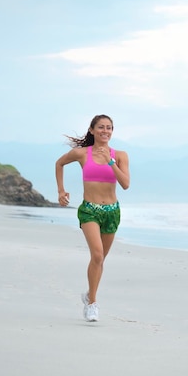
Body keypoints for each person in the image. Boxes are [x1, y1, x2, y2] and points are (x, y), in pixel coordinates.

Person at [55, 114, 130, 322]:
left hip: (112, 212)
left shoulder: (120, 155)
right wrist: (61, 191)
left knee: (100, 260)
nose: (105, 131)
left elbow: (125, 184)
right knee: (97, 255)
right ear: (92, 130)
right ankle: (93, 304)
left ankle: (89, 293)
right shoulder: (81, 154)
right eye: (101, 127)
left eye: (109, 128)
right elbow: (59, 163)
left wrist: (111, 162)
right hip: (89, 210)